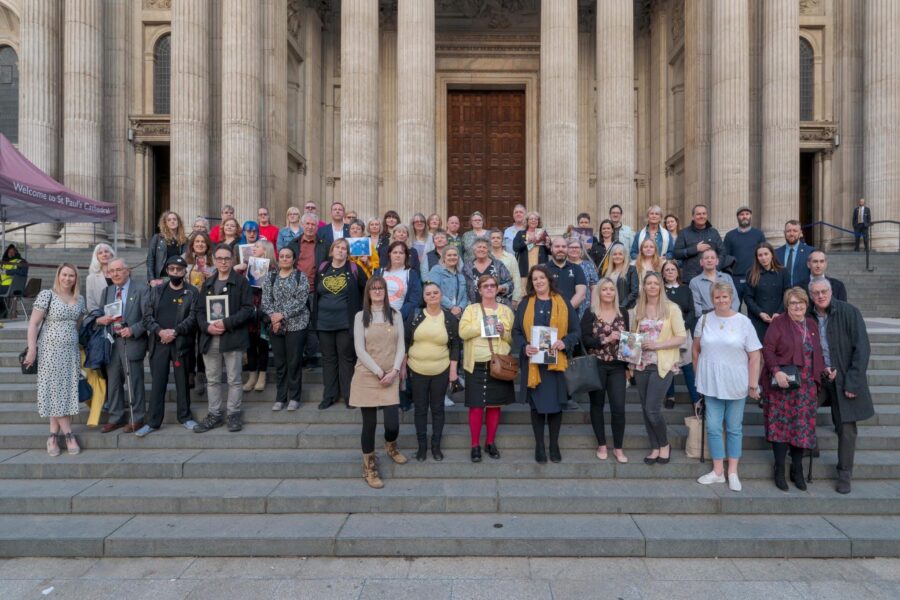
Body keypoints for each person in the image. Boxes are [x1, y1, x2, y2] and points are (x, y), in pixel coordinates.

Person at [692, 282, 762, 492]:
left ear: (731, 298)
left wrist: (753, 383)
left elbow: (755, 355)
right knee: (713, 427)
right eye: (717, 297)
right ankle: (717, 472)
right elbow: (696, 351)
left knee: (733, 428)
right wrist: (699, 377)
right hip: (711, 384)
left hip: (736, 383)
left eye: (724, 297)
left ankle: (732, 471)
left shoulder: (743, 322)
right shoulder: (704, 320)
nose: (721, 301)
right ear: (712, 299)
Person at [810, 278, 874, 494]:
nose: (820, 296)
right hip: (819, 377)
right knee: (802, 408)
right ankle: (811, 444)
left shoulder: (849, 312)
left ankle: (844, 474)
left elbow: (862, 349)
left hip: (844, 377)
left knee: (847, 428)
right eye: (816, 292)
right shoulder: (807, 316)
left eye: (824, 291)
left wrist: (853, 381)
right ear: (811, 296)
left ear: (831, 292)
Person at [762, 287, 826, 491]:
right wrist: (776, 371)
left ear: (807, 305)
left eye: (801, 303)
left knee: (801, 429)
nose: (797, 306)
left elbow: (818, 353)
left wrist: (825, 370)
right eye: (793, 303)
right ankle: (779, 469)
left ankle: (796, 469)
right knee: (781, 429)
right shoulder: (778, 323)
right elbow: (768, 349)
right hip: (783, 385)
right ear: (787, 305)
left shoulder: (812, 324)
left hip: (806, 387)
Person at [513, 265, 580, 463]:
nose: (539, 281)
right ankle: (540, 445)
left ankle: (554, 444)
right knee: (536, 408)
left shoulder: (563, 302)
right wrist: (524, 346)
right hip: (534, 365)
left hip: (556, 364)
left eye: (542, 277)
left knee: (556, 406)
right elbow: (516, 331)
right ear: (531, 283)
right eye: (535, 279)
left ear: (549, 279)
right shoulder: (525, 303)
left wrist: (564, 342)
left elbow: (576, 331)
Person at [349, 276, 408, 488]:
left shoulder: (395, 314)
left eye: (380, 288)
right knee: (370, 424)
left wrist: (393, 371)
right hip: (367, 375)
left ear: (385, 291)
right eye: (373, 289)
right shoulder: (360, 317)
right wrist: (378, 371)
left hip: (390, 375)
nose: (377, 292)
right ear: (368, 292)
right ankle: (369, 467)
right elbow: (359, 349)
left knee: (392, 424)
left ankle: (391, 446)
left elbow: (401, 345)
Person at [23, 263, 86, 456]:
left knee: (64, 392)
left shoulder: (80, 299)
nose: (68, 279)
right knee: (54, 391)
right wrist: (32, 349)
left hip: (70, 352)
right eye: (64, 275)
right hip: (50, 351)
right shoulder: (47, 295)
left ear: (76, 279)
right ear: (58, 276)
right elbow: (33, 323)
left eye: (71, 276)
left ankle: (52, 435)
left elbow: (77, 325)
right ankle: (68, 434)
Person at [194, 244, 255, 433]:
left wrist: (226, 323)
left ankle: (233, 414)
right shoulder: (208, 283)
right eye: (219, 258)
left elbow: (248, 309)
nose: (223, 262)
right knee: (212, 380)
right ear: (214, 259)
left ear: (232, 260)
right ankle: (214, 414)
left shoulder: (241, 282)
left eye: (227, 258)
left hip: (233, 337)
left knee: (234, 379)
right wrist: (207, 327)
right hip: (210, 338)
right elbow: (200, 311)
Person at [137, 256, 200, 436]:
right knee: (158, 382)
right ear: (167, 270)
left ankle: (185, 417)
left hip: (181, 343)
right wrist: (160, 332)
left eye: (179, 270)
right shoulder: (156, 291)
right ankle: (153, 422)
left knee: (182, 382)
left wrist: (175, 332)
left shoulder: (192, 292)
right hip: (159, 343)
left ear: (184, 272)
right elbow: (147, 317)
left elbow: (193, 317)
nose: (175, 273)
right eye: (172, 269)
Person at [458, 274, 516, 462]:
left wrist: (504, 332)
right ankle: (475, 444)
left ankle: (490, 442)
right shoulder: (471, 309)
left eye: (492, 285)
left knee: (494, 406)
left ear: (497, 288)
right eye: (486, 286)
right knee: (476, 407)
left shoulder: (506, 311)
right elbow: (462, 332)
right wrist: (483, 324)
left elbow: (513, 339)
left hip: (499, 364)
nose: (489, 288)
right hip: (476, 363)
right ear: (480, 289)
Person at [632, 271, 686, 465]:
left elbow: (681, 336)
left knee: (652, 408)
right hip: (641, 365)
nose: (652, 286)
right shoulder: (639, 308)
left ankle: (664, 444)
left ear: (661, 286)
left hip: (663, 364)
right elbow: (633, 336)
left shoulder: (672, 308)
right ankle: (654, 447)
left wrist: (657, 345)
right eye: (649, 283)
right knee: (645, 409)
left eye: (656, 283)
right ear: (644, 287)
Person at [404, 282, 460, 461]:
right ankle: (422, 447)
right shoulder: (415, 316)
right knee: (420, 409)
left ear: (441, 295)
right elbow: (405, 342)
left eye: (436, 293)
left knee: (437, 409)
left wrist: (453, 371)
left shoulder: (450, 319)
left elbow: (455, 346)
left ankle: (436, 446)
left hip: (440, 370)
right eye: (428, 293)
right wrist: (403, 367)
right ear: (424, 297)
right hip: (417, 369)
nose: (432, 296)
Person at [95, 259, 149, 433]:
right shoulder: (107, 291)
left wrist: (133, 330)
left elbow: (148, 317)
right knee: (114, 382)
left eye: (119, 270)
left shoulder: (141, 289)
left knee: (134, 381)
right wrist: (101, 320)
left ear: (128, 271)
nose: (116, 274)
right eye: (112, 271)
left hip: (132, 341)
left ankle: (137, 417)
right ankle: (116, 417)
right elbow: (101, 314)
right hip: (112, 343)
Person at [581, 277, 630, 463]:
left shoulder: (623, 312)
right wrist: (605, 339)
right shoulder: (590, 313)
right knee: (597, 405)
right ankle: (602, 444)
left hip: (617, 366)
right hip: (597, 365)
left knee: (619, 407)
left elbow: (629, 340)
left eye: (611, 289)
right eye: (605, 289)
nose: (608, 292)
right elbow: (585, 339)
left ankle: (618, 447)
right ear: (599, 292)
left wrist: (628, 366)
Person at [315, 238, 367, 410]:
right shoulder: (323, 268)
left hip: (346, 322)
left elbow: (366, 289)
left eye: (344, 248)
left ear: (348, 253)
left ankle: (349, 395)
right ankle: (329, 395)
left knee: (346, 359)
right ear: (331, 251)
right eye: (337, 247)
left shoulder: (354, 269)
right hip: (323, 322)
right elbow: (317, 293)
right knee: (328, 359)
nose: (340, 250)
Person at [261, 245, 311, 412]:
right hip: (276, 326)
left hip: (297, 325)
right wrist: (273, 318)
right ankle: (280, 398)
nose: (284, 259)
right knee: (280, 363)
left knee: (294, 361)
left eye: (288, 256)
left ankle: (295, 397)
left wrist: (282, 314)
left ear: (293, 259)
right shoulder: (270, 277)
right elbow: (266, 300)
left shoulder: (300, 277)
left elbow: (301, 299)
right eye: (281, 256)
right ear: (278, 258)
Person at [661, 260, 700, 409]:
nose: (670, 272)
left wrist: (683, 326)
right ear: (663, 274)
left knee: (688, 366)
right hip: (666, 333)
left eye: (673, 269)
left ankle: (696, 399)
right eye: (667, 270)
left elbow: (691, 310)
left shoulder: (686, 289)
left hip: (684, 332)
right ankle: (670, 395)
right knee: (669, 364)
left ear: (678, 272)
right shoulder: (660, 291)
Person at [241, 239, 276, 392]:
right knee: (250, 344)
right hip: (249, 309)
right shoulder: (247, 266)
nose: (253, 248)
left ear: (265, 250)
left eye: (257, 247)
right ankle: (252, 375)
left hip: (264, 310)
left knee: (262, 344)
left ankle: (262, 375)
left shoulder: (273, 269)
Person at [183, 231, 216, 394]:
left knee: (203, 341)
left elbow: (219, 282)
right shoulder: (185, 260)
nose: (200, 244)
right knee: (189, 341)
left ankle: (201, 375)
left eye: (203, 241)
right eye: (197, 241)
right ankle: (190, 373)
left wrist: (211, 277)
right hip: (189, 307)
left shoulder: (213, 262)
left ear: (207, 244)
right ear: (192, 244)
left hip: (207, 307)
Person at [745, 242, 789, 343]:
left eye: (766, 254)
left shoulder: (783, 272)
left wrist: (779, 312)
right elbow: (748, 297)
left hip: (779, 317)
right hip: (758, 319)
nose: (763, 258)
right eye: (760, 255)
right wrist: (760, 313)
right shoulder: (751, 273)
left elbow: (787, 293)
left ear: (772, 254)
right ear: (756, 257)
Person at [723, 206, 766, 305]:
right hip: (735, 278)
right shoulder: (730, 235)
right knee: (733, 307)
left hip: (754, 276)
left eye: (747, 214)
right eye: (741, 214)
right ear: (737, 217)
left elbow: (764, 254)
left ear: (750, 216)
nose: (744, 216)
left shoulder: (758, 234)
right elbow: (725, 256)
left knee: (755, 307)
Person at [673, 204, 724, 282]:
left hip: (712, 278)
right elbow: (676, 253)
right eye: (698, 214)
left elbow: (722, 253)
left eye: (704, 214)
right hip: (690, 279)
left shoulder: (714, 233)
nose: (701, 216)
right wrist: (695, 249)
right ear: (693, 217)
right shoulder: (684, 233)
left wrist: (716, 268)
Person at [376, 240, 424, 322]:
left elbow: (415, 300)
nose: (398, 255)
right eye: (395, 252)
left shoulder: (411, 274)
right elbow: (370, 293)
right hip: (377, 317)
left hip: (400, 318)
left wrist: (397, 316)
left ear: (406, 256)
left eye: (401, 253)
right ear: (389, 254)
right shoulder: (380, 272)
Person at [463, 238, 514, 307]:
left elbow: (510, 283)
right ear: (474, 250)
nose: (481, 249)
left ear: (488, 250)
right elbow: (463, 288)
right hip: (475, 307)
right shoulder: (467, 267)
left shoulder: (498, 265)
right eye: (479, 247)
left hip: (498, 306)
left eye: (484, 247)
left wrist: (501, 288)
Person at [689, 248, 740, 316]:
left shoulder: (727, 278)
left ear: (717, 261)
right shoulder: (695, 282)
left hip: (728, 318)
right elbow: (696, 306)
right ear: (701, 262)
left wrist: (729, 315)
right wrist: (708, 319)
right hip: (707, 320)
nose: (709, 260)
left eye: (712, 258)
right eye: (706, 258)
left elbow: (735, 300)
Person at [545, 236, 588, 317]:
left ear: (567, 249)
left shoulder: (577, 269)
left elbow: (581, 294)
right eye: (557, 246)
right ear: (551, 248)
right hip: (548, 317)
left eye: (564, 246)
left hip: (571, 317)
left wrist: (564, 311)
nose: (560, 249)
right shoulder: (543, 269)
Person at [427, 246, 469, 318]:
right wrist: (451, 307)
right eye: (449, 255)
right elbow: (434, 292)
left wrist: (460, 308)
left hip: (458, 314)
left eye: (455, 255)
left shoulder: (461, 275)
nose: (452, 257)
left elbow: (465, 296)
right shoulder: (436, 270)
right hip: (440, 312)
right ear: (443, 257)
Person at [147, 211, 187, 286]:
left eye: (174, 219)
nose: (172, 221)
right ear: (165, 223)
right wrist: (151, 279)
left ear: (178, 222)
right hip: (161, 278)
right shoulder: (157, 238)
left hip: (178, 278)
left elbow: (185, 260)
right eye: (169, 220)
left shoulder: (184, 240)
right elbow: (150, 259)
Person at [512, 211, 550, 286]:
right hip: (525, 268)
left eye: (536, 219)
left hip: (540, 266)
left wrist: (548, 244)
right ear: (527, 221)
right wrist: (527, 241)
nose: (533, 220)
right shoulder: (521, 233)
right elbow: (515, 248)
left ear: (538, 221)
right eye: (531, 219)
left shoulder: (543, 233)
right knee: (525, 292)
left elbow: (550, 252)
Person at [775, 220, 815, 288]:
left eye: (795, 231)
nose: (791, 234)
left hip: (802, 295)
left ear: (800, 233)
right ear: (784, 233)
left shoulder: (811, 252)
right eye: (788, 231)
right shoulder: (776, 253)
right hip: (781, 295)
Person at [567, 237, 599, 319]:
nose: (574, 250)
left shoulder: (589, 265)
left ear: (581, 249)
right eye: (571, 247)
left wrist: (593, 308)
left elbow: (594, 287)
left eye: (577, 247)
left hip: (585, 307)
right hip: (566, 305)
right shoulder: (563, 265)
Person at [603, 242, 639, 312]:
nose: (617, 256)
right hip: (609, 308)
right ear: (611, 256)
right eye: (615, 254)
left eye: (620, 254)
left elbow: (634, 292)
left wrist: (622, 306)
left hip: (626, 309)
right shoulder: (606, 272)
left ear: (624, 256)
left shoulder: (631, 270)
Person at [85, 243, 115, 313]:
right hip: (102, 317)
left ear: (111, 254)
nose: (104, 254)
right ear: (96, 257)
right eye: (100, 253)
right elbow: (91, 304)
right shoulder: (91, 278)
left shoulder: (121, 273)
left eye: (106, 251)